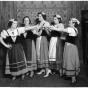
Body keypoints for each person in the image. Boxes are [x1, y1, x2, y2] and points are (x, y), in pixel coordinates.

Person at [0, 19, 37, 83]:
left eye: (16, 23)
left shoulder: (18, 30)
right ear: (11, 24)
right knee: (13, 61)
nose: (16, 24)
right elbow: (0, 38)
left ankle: (22, 75)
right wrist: (6, 45)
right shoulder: (6, 31)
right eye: (14, 23)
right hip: (11, 50)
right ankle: (13, 76)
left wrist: (35, 26)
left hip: (19, 48)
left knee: (21, 60)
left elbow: (27, 28)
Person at [61, 18, 80, 86]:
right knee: (69, 61)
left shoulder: (71, 29)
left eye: (70, 23)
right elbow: (70, 38)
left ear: (73, 24)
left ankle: (73, 79)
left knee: (71, 62)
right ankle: (72, 77)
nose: (68, 24)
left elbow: (62, 29)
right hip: (70, 47)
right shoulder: (74, 29)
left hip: (71, 48)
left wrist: (54, 28)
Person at [35, 12, 51, 77]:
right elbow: (37, 33)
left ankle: (47, 70)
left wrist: (45, 29)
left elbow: (49, 34)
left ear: (43, 17)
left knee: (44, 54)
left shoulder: (46, 23)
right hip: (38, 39)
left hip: (44, 39)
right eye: (38, 16)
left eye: (40, 16)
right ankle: (42, 69)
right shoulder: (38, 23)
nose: (39, 17)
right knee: (39, 54)